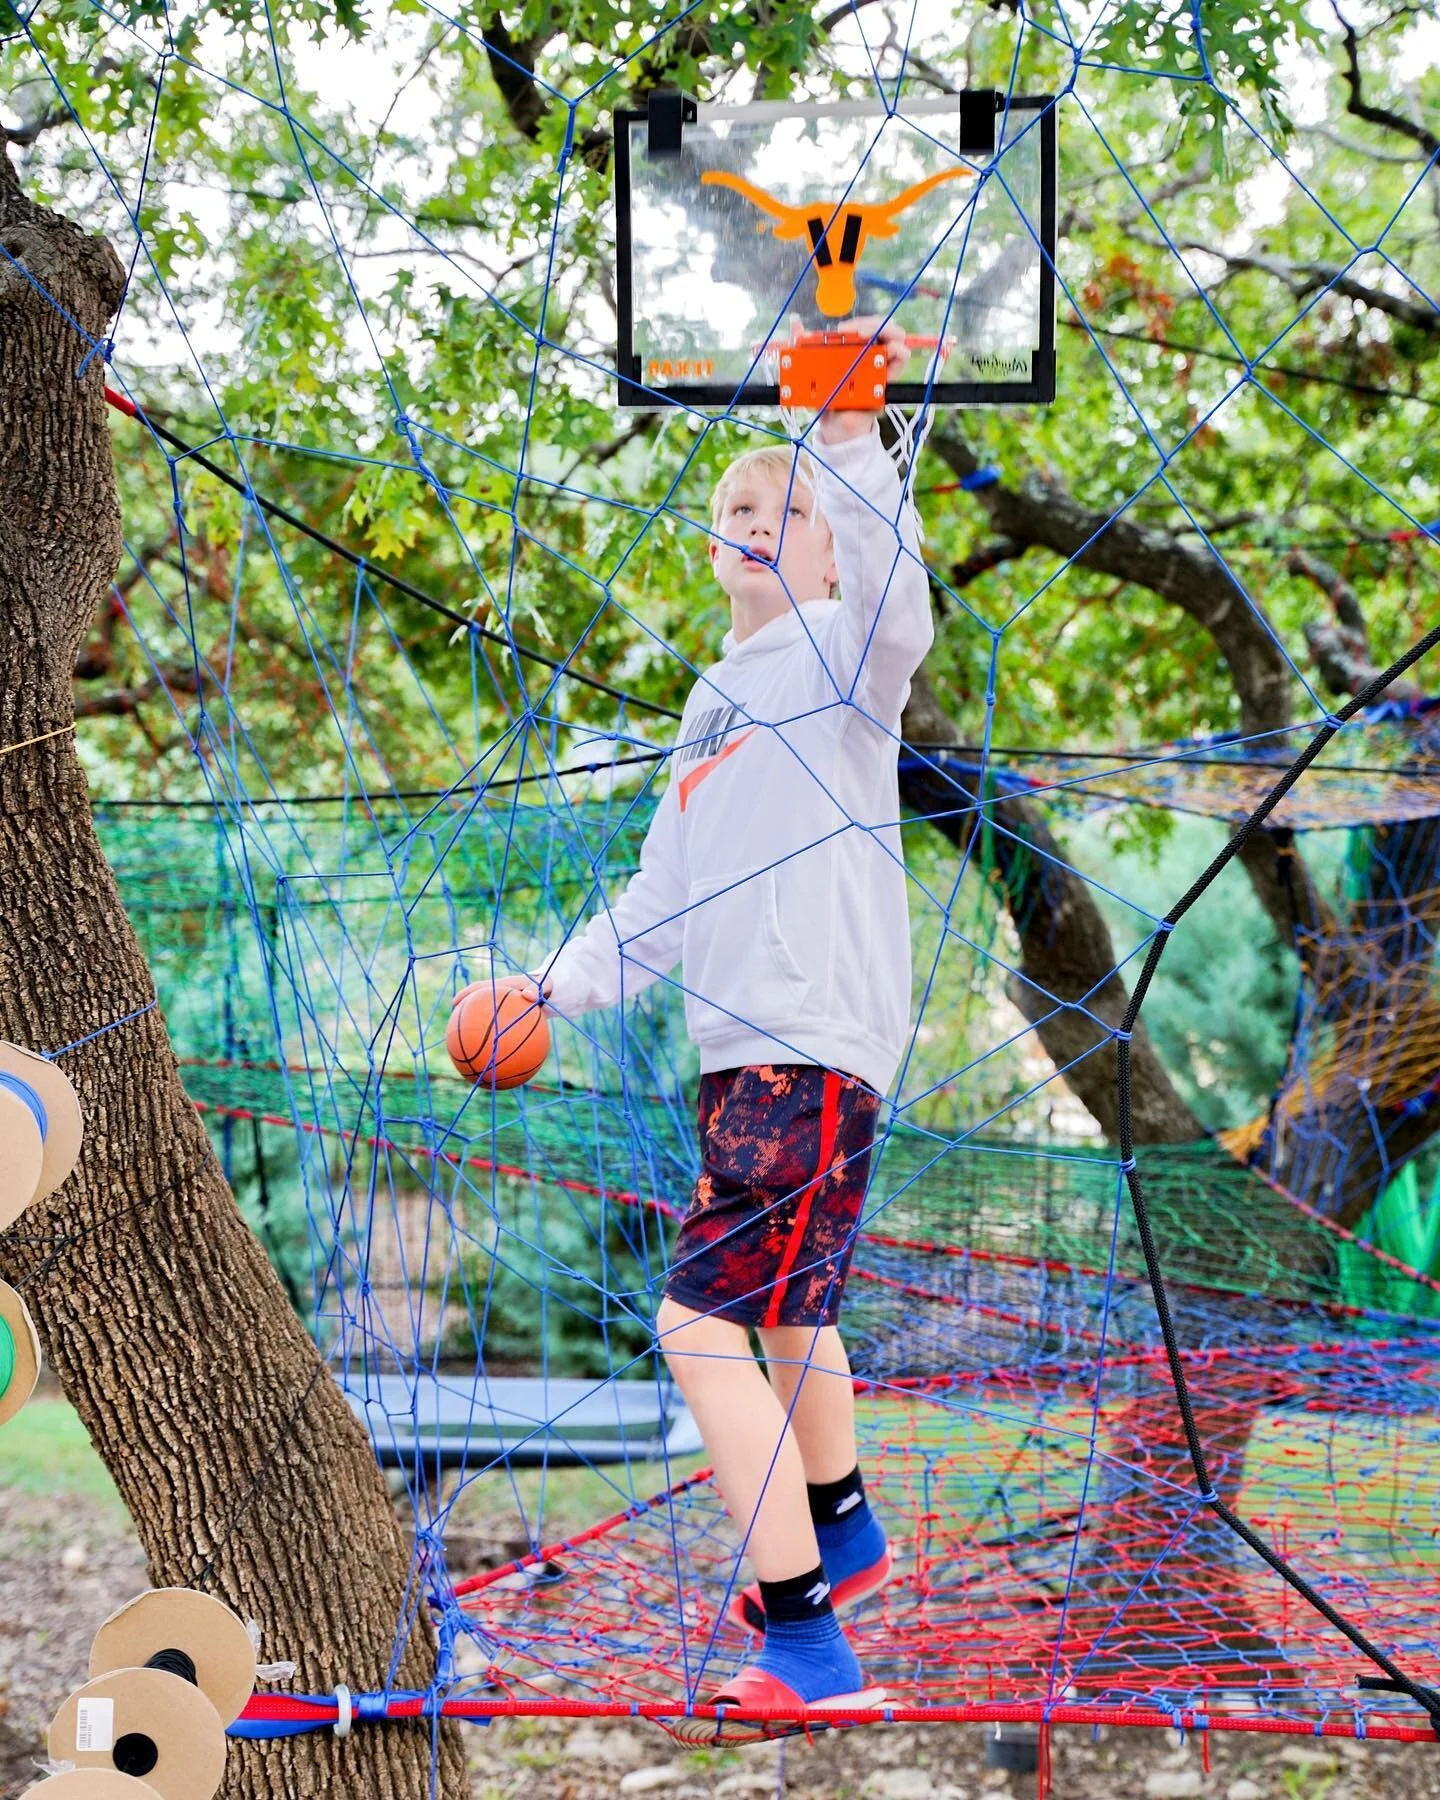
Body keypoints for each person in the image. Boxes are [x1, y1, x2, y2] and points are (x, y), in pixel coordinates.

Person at [529, 321, 932, 1735]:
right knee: (781, 1315)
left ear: (827, 551)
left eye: (792, 513)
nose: (764, 525)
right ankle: (846, 1521)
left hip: (807, 1039)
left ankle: (811, 1644)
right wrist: (551, 989)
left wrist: (842, 433)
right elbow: (662, 900)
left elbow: (900, 609)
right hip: (741, 1049)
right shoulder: (710, 705)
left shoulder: (842, 661)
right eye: (739, 511)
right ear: (713, 548)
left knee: (697, 1327)